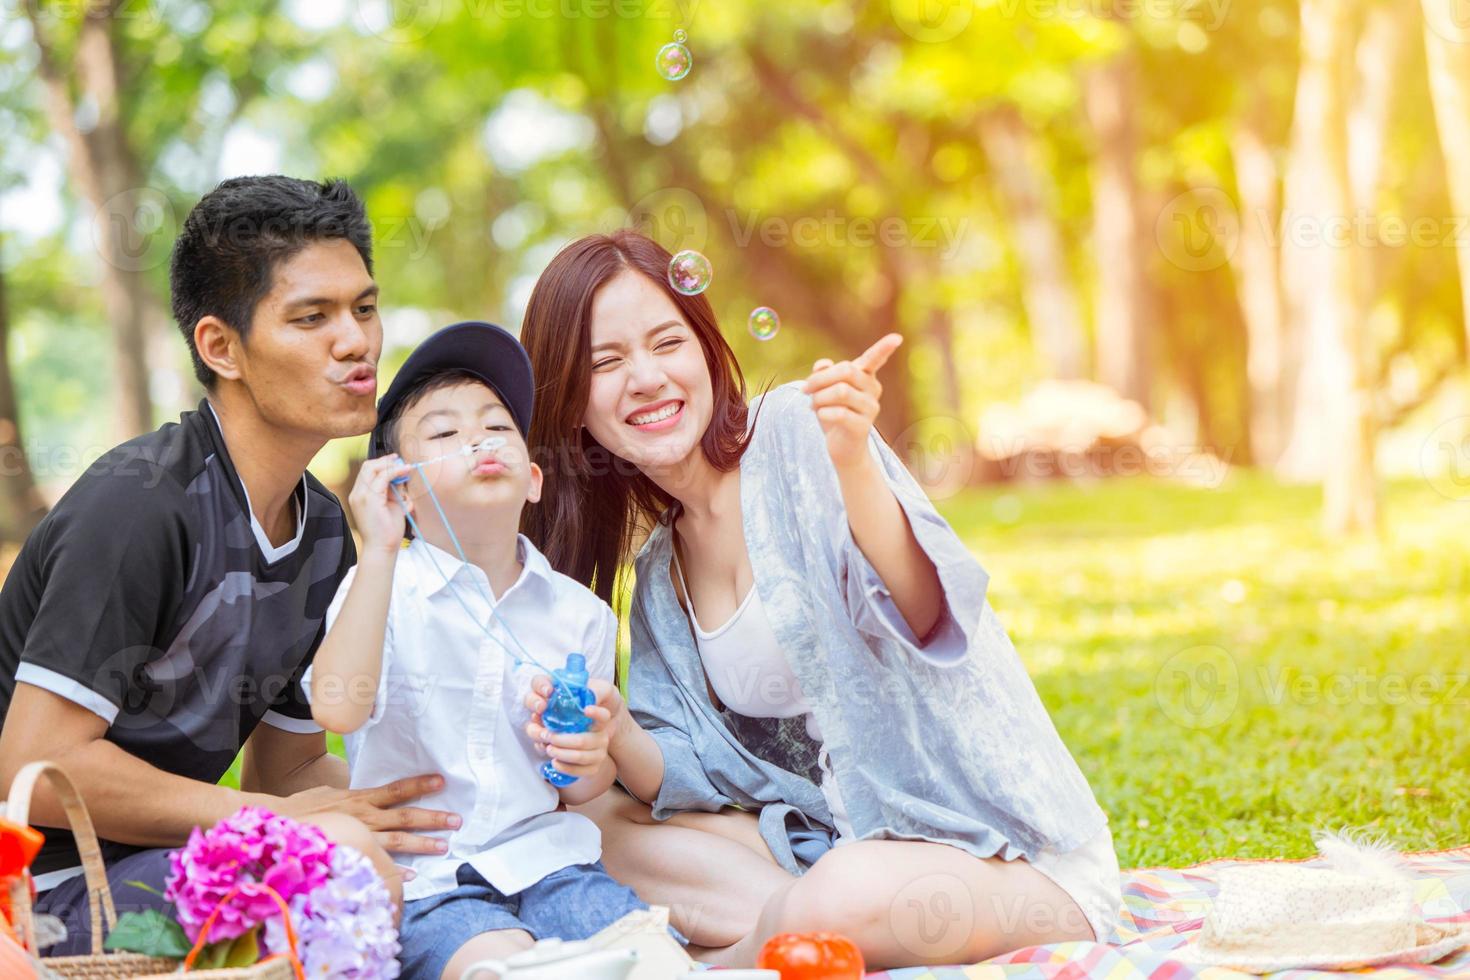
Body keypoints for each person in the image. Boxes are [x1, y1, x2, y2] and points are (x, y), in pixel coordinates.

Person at [517, 229, 1123, 970]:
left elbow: (924, 609)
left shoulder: (802, 432)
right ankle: (792, 934)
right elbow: (679, 774)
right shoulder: (660, 576)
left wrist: (852, 464)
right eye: (606, 362)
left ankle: (729, 959)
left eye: (666, 342)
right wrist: (610, 732)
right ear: (574, 403)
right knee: (599, 824)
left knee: (837, 897)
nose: (645, 378)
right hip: (835, 846)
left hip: (1005, 863)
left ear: (707, 350)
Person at [0, 176, 457, 955]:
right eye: (311, 318)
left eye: (364, 308)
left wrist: (444, 808)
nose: (357, 342)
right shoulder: (139, 505)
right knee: (341, 878)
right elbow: (40, 762)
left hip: (177, 862)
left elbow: (289, 771)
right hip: (41, 890)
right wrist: (278, 823)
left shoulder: (322, 532)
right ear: (221, 347)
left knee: (450, 855)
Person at [307, 321, 672, 980]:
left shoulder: (577, 616)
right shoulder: (381, 588)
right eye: (445, 434)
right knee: (507, 971)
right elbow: (336, 708)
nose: (477, 439)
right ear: (402, 491)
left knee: (652, 964)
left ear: (532, 479)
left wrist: (586, 756)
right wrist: (380, 549)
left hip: (555, 866)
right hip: (430, 885)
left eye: (496, 427)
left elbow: (581, 786)